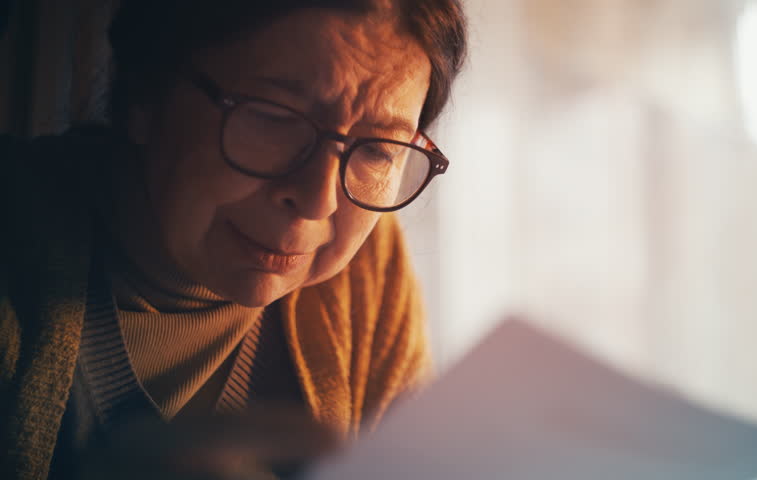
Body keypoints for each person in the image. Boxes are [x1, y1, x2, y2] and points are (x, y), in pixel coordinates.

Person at [0, 1, 467, 479]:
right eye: (274, 117)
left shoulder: (368, 271)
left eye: (379, 150)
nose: (316, 200)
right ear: (146, 87)